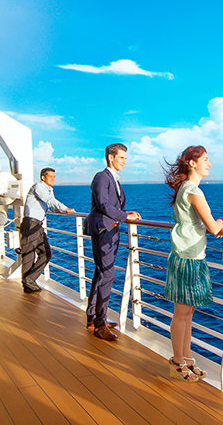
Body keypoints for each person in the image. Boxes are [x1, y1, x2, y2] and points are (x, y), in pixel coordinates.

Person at [162, 145, 223, 382]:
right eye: (205, 159)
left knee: (187, 313)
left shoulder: (186, 189)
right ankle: (177, 362)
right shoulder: (193, 191)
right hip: (188, 257)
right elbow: (213, 227)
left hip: (189, 256)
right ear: (192, 163)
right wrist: (220, 222)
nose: (210, 164)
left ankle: (186, 358)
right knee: (182, 314)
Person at [85, 143, 142, 341]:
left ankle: (93, 318)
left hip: (110, 230)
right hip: (103, 231)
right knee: (108, 274)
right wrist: (124, 217)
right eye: (122, 158)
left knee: (101, 273)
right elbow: (102, 203)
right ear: (111, 157)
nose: (125, 161)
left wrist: (125, 213)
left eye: (125, 158)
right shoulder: (102, 177)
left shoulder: (114, 179)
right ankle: (100, 324)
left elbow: (111, 205)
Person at [20, 168, 75, 293]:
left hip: (37, 224)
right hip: (30, 224)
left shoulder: (49, 190)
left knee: (46, 253)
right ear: (43, 177)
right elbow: (49, 200)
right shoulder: (38, 187)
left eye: (54, 176)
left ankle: (29, 280)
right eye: (50, 176)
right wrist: (65, 208)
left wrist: (56, 210)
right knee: (29, 255)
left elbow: (48, 205)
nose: (53, 179)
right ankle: (28, 283)